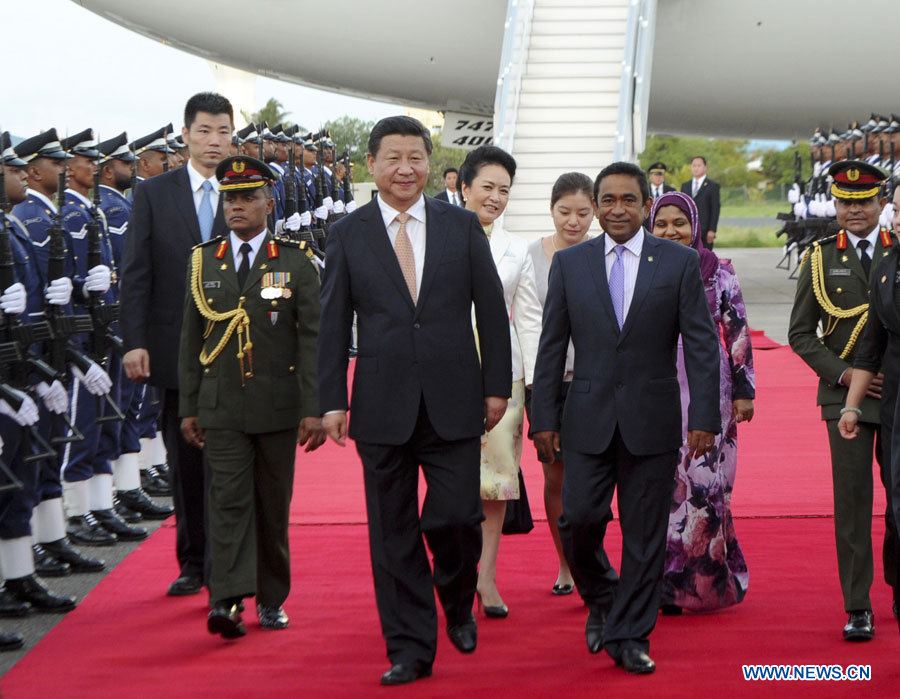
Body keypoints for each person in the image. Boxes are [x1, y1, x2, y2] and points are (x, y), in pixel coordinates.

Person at [318, 116, 511, 686]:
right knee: (393, 533)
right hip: (380, 405)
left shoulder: (461, 226)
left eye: (416, 157)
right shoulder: (348, 234)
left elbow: (491, 312)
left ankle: (455, 599)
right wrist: (331, 398)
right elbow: (333, 325)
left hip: (456, 399)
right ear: (371, 165)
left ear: (430, 163)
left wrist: (496, 385)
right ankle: (409, 647)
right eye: (393, 158)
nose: (406, 168)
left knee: (455, 516)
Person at [530, 161, 720, 674]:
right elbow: (551, 348)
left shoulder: (677, 262)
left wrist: (704, 415)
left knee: (643, 535)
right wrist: (542, 416)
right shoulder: (571, 264)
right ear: (595, 205)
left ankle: (632, 633)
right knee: (579, 521)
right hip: (585, 418)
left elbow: (702, 345)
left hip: (652, 420)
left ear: (644, 205)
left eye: (628, 200)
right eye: (607, 200)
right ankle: (603, 597)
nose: (617, 209)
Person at [179, 155, 325, 638]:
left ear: (269, 202)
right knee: (227, 501)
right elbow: (190, 340)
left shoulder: (296, 260)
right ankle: (225, 599)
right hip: (221, 406)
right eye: (230, 198)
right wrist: (189, 407)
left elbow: (311, 340)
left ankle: (270, 598)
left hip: (278, 405)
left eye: (247, 197)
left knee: (270, 504)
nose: (237, 207)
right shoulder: (204, 260)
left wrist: (314, 408)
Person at [121, 92, 232, 597]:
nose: (215, 141)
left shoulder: (246, 189)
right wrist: (135, 341)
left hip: (234, 346)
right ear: (185, 135)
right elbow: (136, 274)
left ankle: (229, 562)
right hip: (172, 350)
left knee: (229, 459)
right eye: (206, 131)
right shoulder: (153, 193)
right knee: (185, 461)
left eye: (224, 132)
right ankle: (193, 560)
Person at [789, 159, 899, 641]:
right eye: (846, 202)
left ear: (881, 203)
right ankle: (857, 604)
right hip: (844, 397)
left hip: (896, 393)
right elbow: (800, 334)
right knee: (853, 501)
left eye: (865, 201)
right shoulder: (818, 258)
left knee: (898, 500)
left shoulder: (898, 252)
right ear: (834, 205)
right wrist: (847, 373)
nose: (855, 211)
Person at [648, 191, 754, 614]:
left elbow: (739, 331)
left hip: (710, 391)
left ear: (694, 225)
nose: (670, 231)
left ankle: (705, 585)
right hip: (658, 389)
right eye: (661, 223)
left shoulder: (719, 273)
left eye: (679, 223)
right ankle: (662, 586)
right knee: (666, 488)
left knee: (706, 488)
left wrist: (745, 392)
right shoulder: (645, 269)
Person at [458, 146, 541, 618]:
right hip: (446, 372)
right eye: (486, 187)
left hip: (501, 375)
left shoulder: (517, 249)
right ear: (463, 187)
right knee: (453, 481)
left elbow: (528, 319)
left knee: (496, 483)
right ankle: (456, 571)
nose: (495, 197)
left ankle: (486, 577)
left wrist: (533, 384)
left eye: (504, 190)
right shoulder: (436, 235)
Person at [526, 172, 595, 596]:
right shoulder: (530, 255)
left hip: (594, 383)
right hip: (547, 382)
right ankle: (565, 563)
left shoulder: (606, 254)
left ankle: (592, 557)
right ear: (551, 209)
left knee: (590, 478)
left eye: (583, 213)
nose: (574, 221)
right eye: (564, 212)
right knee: (555, 477)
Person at [838, 182, 900, 626]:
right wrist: (850, 404)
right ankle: (876, 596)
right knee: (890, 501)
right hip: (892, 403)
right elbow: (870, 348)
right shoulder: (887, 268)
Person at [680, 156, 720, 250]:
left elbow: (715, 209)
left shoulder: (712, 186)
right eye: (694, 166)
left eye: (699, 165)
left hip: (705, 231)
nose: (696, 168)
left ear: (705, 167)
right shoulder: (685, 186)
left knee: (704, 260)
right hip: (688, 230)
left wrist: (712, 230)